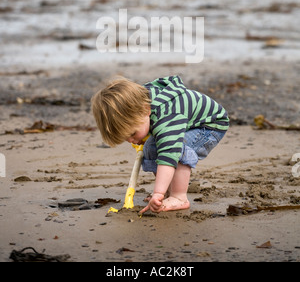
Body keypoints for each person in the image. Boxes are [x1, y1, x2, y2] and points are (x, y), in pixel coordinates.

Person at [91, 75, 229, 213]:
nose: (132, 141)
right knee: (150, 148)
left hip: (209, 126)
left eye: (132, 134)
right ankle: (168, 192)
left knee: (177, 150)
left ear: (146, 110)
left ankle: (179, 197)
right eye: (126, 138)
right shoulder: (141, 102)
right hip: (183, 121)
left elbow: (169, 155)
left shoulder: (166, 116)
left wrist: (158, 192)